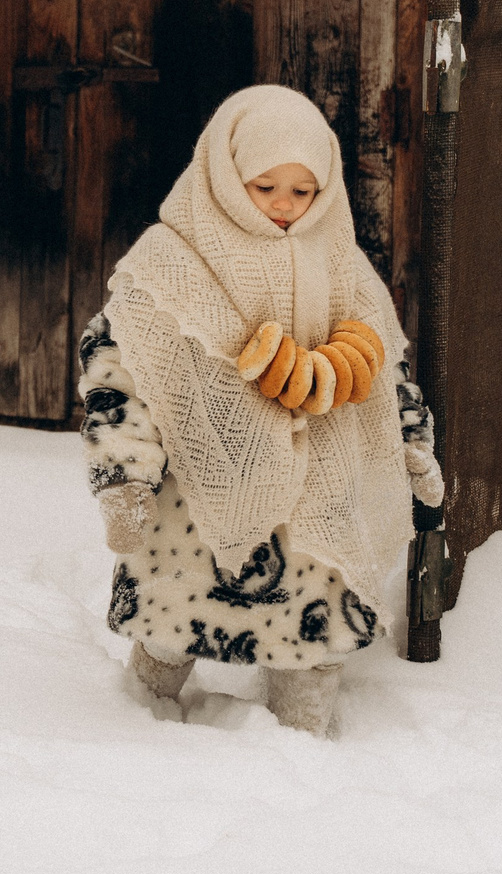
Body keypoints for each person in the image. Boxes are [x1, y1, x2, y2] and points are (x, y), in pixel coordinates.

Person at [77, 84, 444, 736]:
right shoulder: (172, 260)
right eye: (264, 186)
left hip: (315, 499)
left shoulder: (342, 263)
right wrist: (123, 471)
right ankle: (138, 717)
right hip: (198, 491)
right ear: (224, 175)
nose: (284, 205)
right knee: (172, 618)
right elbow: (120, 368)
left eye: (302, 191)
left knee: (310, 634)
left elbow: (385, 365)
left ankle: (302, 738)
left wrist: (410, 442)